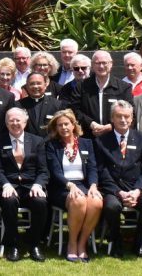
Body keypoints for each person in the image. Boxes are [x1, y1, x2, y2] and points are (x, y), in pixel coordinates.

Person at [94, 100, 142, 258]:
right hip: (113, 188)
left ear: (132, 119)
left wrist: (137, 191)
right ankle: (115, 240)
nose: (123, 120)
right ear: (112, 118)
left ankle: (139, 241)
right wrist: (119, 192)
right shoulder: (101, 141)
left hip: (137, 187)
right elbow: (102, 171)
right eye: (119, 116)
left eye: (126, 116)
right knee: (112, 207)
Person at [0, 107, 48, 262]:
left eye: (18, 120)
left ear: (25, 122)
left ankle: (34, 243)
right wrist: (5, 184)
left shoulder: (37, 141)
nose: (15, 123)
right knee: (8, 201)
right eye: (11, 120)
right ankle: (13, 245)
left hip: (30, 186)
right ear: (6, 123)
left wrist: (38, 185)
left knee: (40, 202)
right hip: (7, 186)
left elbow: (43, 170)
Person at [45, 109, 103, 263]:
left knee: (96, 202)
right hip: (61, 187)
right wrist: (69, 185)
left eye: (66, 124)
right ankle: (71, 244)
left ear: (73, 125)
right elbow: (55, 171)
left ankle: (82, 243)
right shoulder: (51, 145)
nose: (63, 128)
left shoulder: (87, 143)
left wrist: (93, 186)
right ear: (55, 128)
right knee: (78, 201)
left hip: (84, 185)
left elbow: (92, 168)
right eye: (59, 125)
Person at [70, 50, 132, 139]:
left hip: (114, 137)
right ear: (92, 65)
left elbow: (130, 112)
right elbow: (74, 109)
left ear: (111, 64)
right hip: (87, 136)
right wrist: (91, 124)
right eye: (97, 63)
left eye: (104, 63)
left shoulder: (124, 87)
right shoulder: (81, 86)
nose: (101, 66)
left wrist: (110, 126)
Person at [17, 72, 63, 137]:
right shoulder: (18, 105)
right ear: (26, 86)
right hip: (28, 144)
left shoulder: (57, 105)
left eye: (39, 83)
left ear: (45, 85)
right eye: (32, 84)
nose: (35, 86)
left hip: (50, 144)